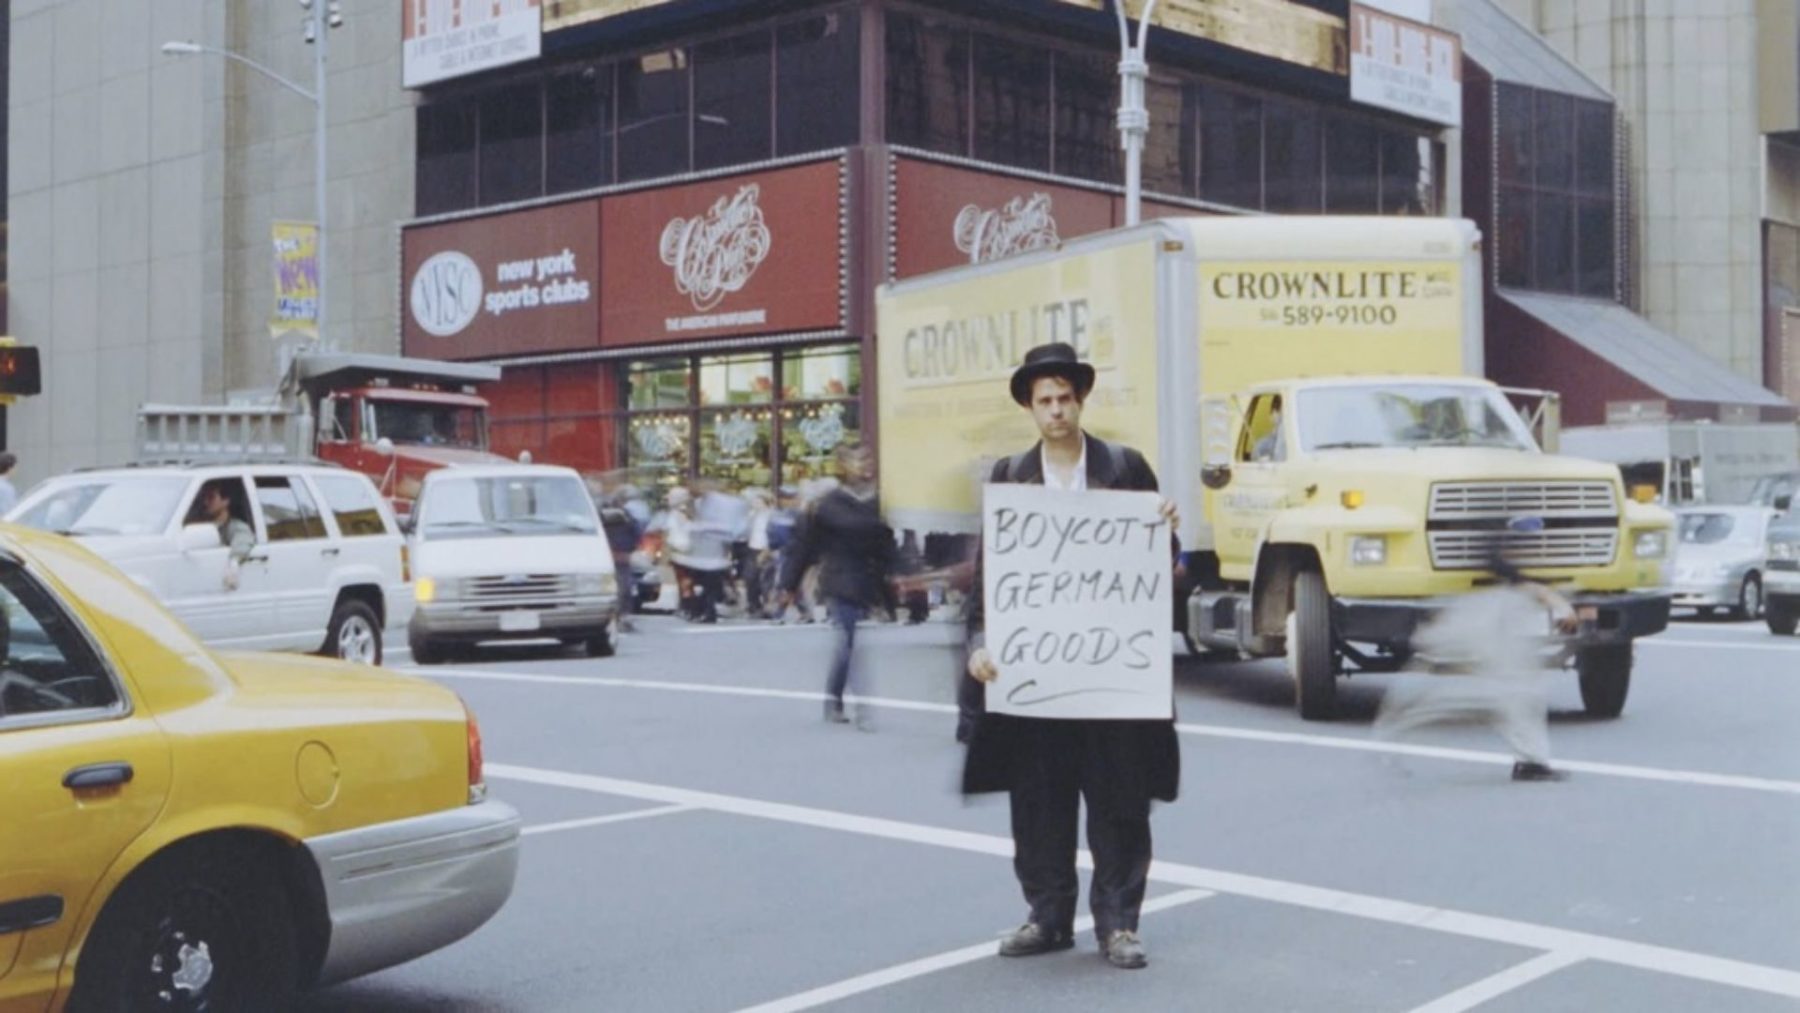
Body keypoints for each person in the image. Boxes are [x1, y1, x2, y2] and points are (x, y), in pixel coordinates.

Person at [962, 341, 1181, 971]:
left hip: (1110, 674)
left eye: (1065, 397)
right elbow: (988, 581)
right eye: (1044, 400)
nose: (1056, 410)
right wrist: (980, 644)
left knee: (1118, 802)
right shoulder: (1009, 477)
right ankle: (1049, 917)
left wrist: (1166, 529)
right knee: (1038, 803)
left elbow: (1165, 568)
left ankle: (1118, 926)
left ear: (1080, 400)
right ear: (1030, 409)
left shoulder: (1125, 466)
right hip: (1035, 677)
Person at [1373, 551, 1575, 782]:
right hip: (1489, 605)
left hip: (1479, 604)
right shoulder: (1502, 528)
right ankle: (1394, 726)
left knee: (1514, 689)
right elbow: (1504, 566)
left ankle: (1531, 761)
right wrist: (1557, 602)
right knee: (1511, 690)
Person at [780, 444, 898, 728]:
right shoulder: (828, 504)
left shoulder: (879, 503)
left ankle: (834, 697)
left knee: (851, 640)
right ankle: (854, 706)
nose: (864, 465)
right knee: (848, 641)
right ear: (843, 466)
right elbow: (804, 547)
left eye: (867, 458)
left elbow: (888, 546)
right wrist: (789, 584)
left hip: (867, 578)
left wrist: (899, 577)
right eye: (857, 460)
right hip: (838, 577)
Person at [191, 480, 255, 590]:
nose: (206, 502)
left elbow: (243, 540)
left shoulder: (235, 526)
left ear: (225, 501)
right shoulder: (201, 525)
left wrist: (234, 563)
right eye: (204, 498)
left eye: (211, 497)